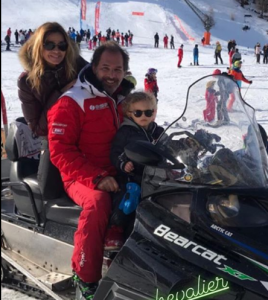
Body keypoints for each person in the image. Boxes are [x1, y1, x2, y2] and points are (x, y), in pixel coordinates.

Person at [47, 41, 134, 299]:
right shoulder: (72, 101)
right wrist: (97, 177)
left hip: (117, 170)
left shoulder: (123, 99)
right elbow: (60, 151)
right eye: (105, 68)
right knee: (98, 204)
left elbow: (143, 127)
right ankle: (85, 279)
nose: (112, 75)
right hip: (80, 175)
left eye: (117, 69)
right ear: (94, 68)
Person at [17, 22, 88, 199]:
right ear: (38, 46)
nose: (56, 51)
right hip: (54, 141)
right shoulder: (27, 81)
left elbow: (102, 78)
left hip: (86, 136)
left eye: (62, 45)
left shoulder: (77, 65)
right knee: (49, 193)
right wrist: (61, 94)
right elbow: (38, 129)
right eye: (49, 45)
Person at [107, 92, 163, 249]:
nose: (143, 116)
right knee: (129, 198)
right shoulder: (126, 132)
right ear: (129, 114)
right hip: (132, 176)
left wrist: (185, 143)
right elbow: (115, 152)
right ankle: (115, 229)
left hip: (154, 175)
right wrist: (123, 163)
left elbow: (168, 145)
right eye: (138, 113)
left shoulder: (157, 130)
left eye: (148, 112)